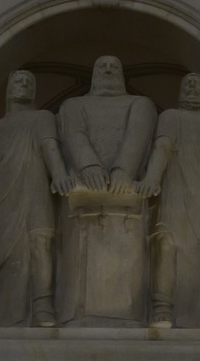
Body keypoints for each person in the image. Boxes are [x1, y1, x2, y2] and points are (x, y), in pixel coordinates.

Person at [0, 70, 72, 329]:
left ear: (34, 90)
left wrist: (59, 175)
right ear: (8, 88)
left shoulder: (42, 118)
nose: (23, 85)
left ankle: (43, 307)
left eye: (28, 82)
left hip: (35, 191)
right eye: (18, 81)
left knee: (40, 241)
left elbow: (50, 147)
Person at [55, 56, 158, 327]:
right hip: (84, 195)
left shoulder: (140, 104)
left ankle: (130, 316)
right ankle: (77, 317)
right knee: (78, 261)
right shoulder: (73, 106)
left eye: (114, 66)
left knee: (129, 263)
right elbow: (74, 135)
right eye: (102, 66)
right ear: (94, 74)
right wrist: (89, 166)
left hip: (127, 197)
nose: (109, 69)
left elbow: (137, 134)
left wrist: (123, 171)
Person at [137, 72, 200, 328]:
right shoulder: (171, 118)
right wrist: (151, 180)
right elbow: (161, 149)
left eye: (198, 85)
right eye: (187, 84)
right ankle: (162, 309)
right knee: (168, 246)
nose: (193, 88)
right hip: (175, 195)